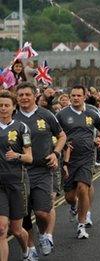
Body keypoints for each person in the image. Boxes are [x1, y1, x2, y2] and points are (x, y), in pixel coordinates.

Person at [14, 83, 66, 257]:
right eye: (20, 95)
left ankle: (44, 234)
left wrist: (55, 153)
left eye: (27, 94)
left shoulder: (46, 115)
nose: (24, 98)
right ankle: (31, 248)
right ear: (17, 96)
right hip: (20, 172)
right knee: (26, 215)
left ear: (35, 95)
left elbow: (61, 135)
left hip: (42, 170)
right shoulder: (12, 117)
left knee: (42, 212)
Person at [56, 85, 100, 239]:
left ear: (85, 97)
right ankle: (74, 206)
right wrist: (61, 144)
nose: (75, 98)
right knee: (70, 197)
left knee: (83, 187)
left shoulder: (92, 113)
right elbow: (54, 134)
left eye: (79, 95)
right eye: (73, 95)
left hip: (87, 157)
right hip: (68, 159)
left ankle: (81, 225)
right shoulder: (61, 115)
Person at [0, 91, 33, 260]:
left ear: (14, 107)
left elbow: (29, 157)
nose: (3, 108)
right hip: (0, 186)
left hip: (17, 183)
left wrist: (17, 155)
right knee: (1, 229)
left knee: (17, 230)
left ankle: (26, 251)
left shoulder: (22, 128)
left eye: (7, 105)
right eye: (0, 105)